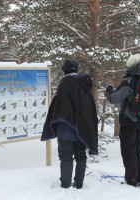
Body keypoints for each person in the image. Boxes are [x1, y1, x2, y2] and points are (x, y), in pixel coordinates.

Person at [41, 59, 98, 189]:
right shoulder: (85, 85)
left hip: (66, 128)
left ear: (64, 70)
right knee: (81, 156)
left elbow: (57, 106)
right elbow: (89, 108)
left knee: (66, 157)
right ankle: (79, 183)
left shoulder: (65, 84)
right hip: (82, 129)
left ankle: (65, 184)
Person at [105, 54, 140, 187]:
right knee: (138, 149)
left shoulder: (129, 81)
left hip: (129, 121)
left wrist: (109, 91)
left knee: (128, 150)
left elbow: (114, 98)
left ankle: (131, 179)